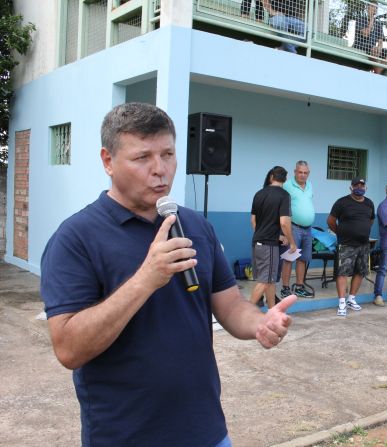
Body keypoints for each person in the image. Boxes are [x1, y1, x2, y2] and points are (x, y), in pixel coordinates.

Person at [40, 103, 295, 447]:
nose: (160, 170)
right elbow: (69, 349)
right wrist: (146, 278)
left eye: (168, 154)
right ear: (107, 161)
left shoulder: (196, 226)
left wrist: (259, 323)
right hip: (125, 436)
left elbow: (231, 305)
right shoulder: (76, 238)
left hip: (206, 431)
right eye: (142, 157)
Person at [327, 178, 375, 316]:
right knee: (342, 272)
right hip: (346, 244)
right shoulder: (341, 202)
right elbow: (330, 221)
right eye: (356, 185)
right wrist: (341, 232)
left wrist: (361, 230)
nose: (359, 187)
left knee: (360, 272)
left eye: (362, 185)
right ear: (351, 187)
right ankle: (342, 302)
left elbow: (370, 220)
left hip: (363, 244)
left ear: (366, 187)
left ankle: (351, 299)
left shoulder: (369, 203)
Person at [250, 166, 297, 307]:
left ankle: (272, 310)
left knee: (269, 280)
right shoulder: (284, 195)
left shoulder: (259, 194)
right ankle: (245, 312)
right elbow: (284, 222)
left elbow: (253, 221)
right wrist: (292, 242)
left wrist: (273, 236)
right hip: (269, 246)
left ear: (271, 177)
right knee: (264, 281)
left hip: (257, 242)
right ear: (285, 179)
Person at [280, 160, 315, 298]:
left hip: (308, 229)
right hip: (293, 227)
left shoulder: (310, 185)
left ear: (308, 174)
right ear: (295, 172)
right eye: (300, 172)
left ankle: (300, 287)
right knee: (289, 258)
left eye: (305, 173)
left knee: (302, 259)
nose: (302, 175)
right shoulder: (287, 185)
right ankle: (285, 288)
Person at [352, 1, 387, 74]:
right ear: (367, 8)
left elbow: (380, 41)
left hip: (373, 49)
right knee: (373, 49)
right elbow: (365, 34)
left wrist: (379, 49)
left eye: (376, 7)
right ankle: (377, 70)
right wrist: (371, 20)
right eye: (372, 6)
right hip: (360, 45)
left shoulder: (378, 24)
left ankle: (378, 68)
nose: (374, 9)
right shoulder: (360, 19)